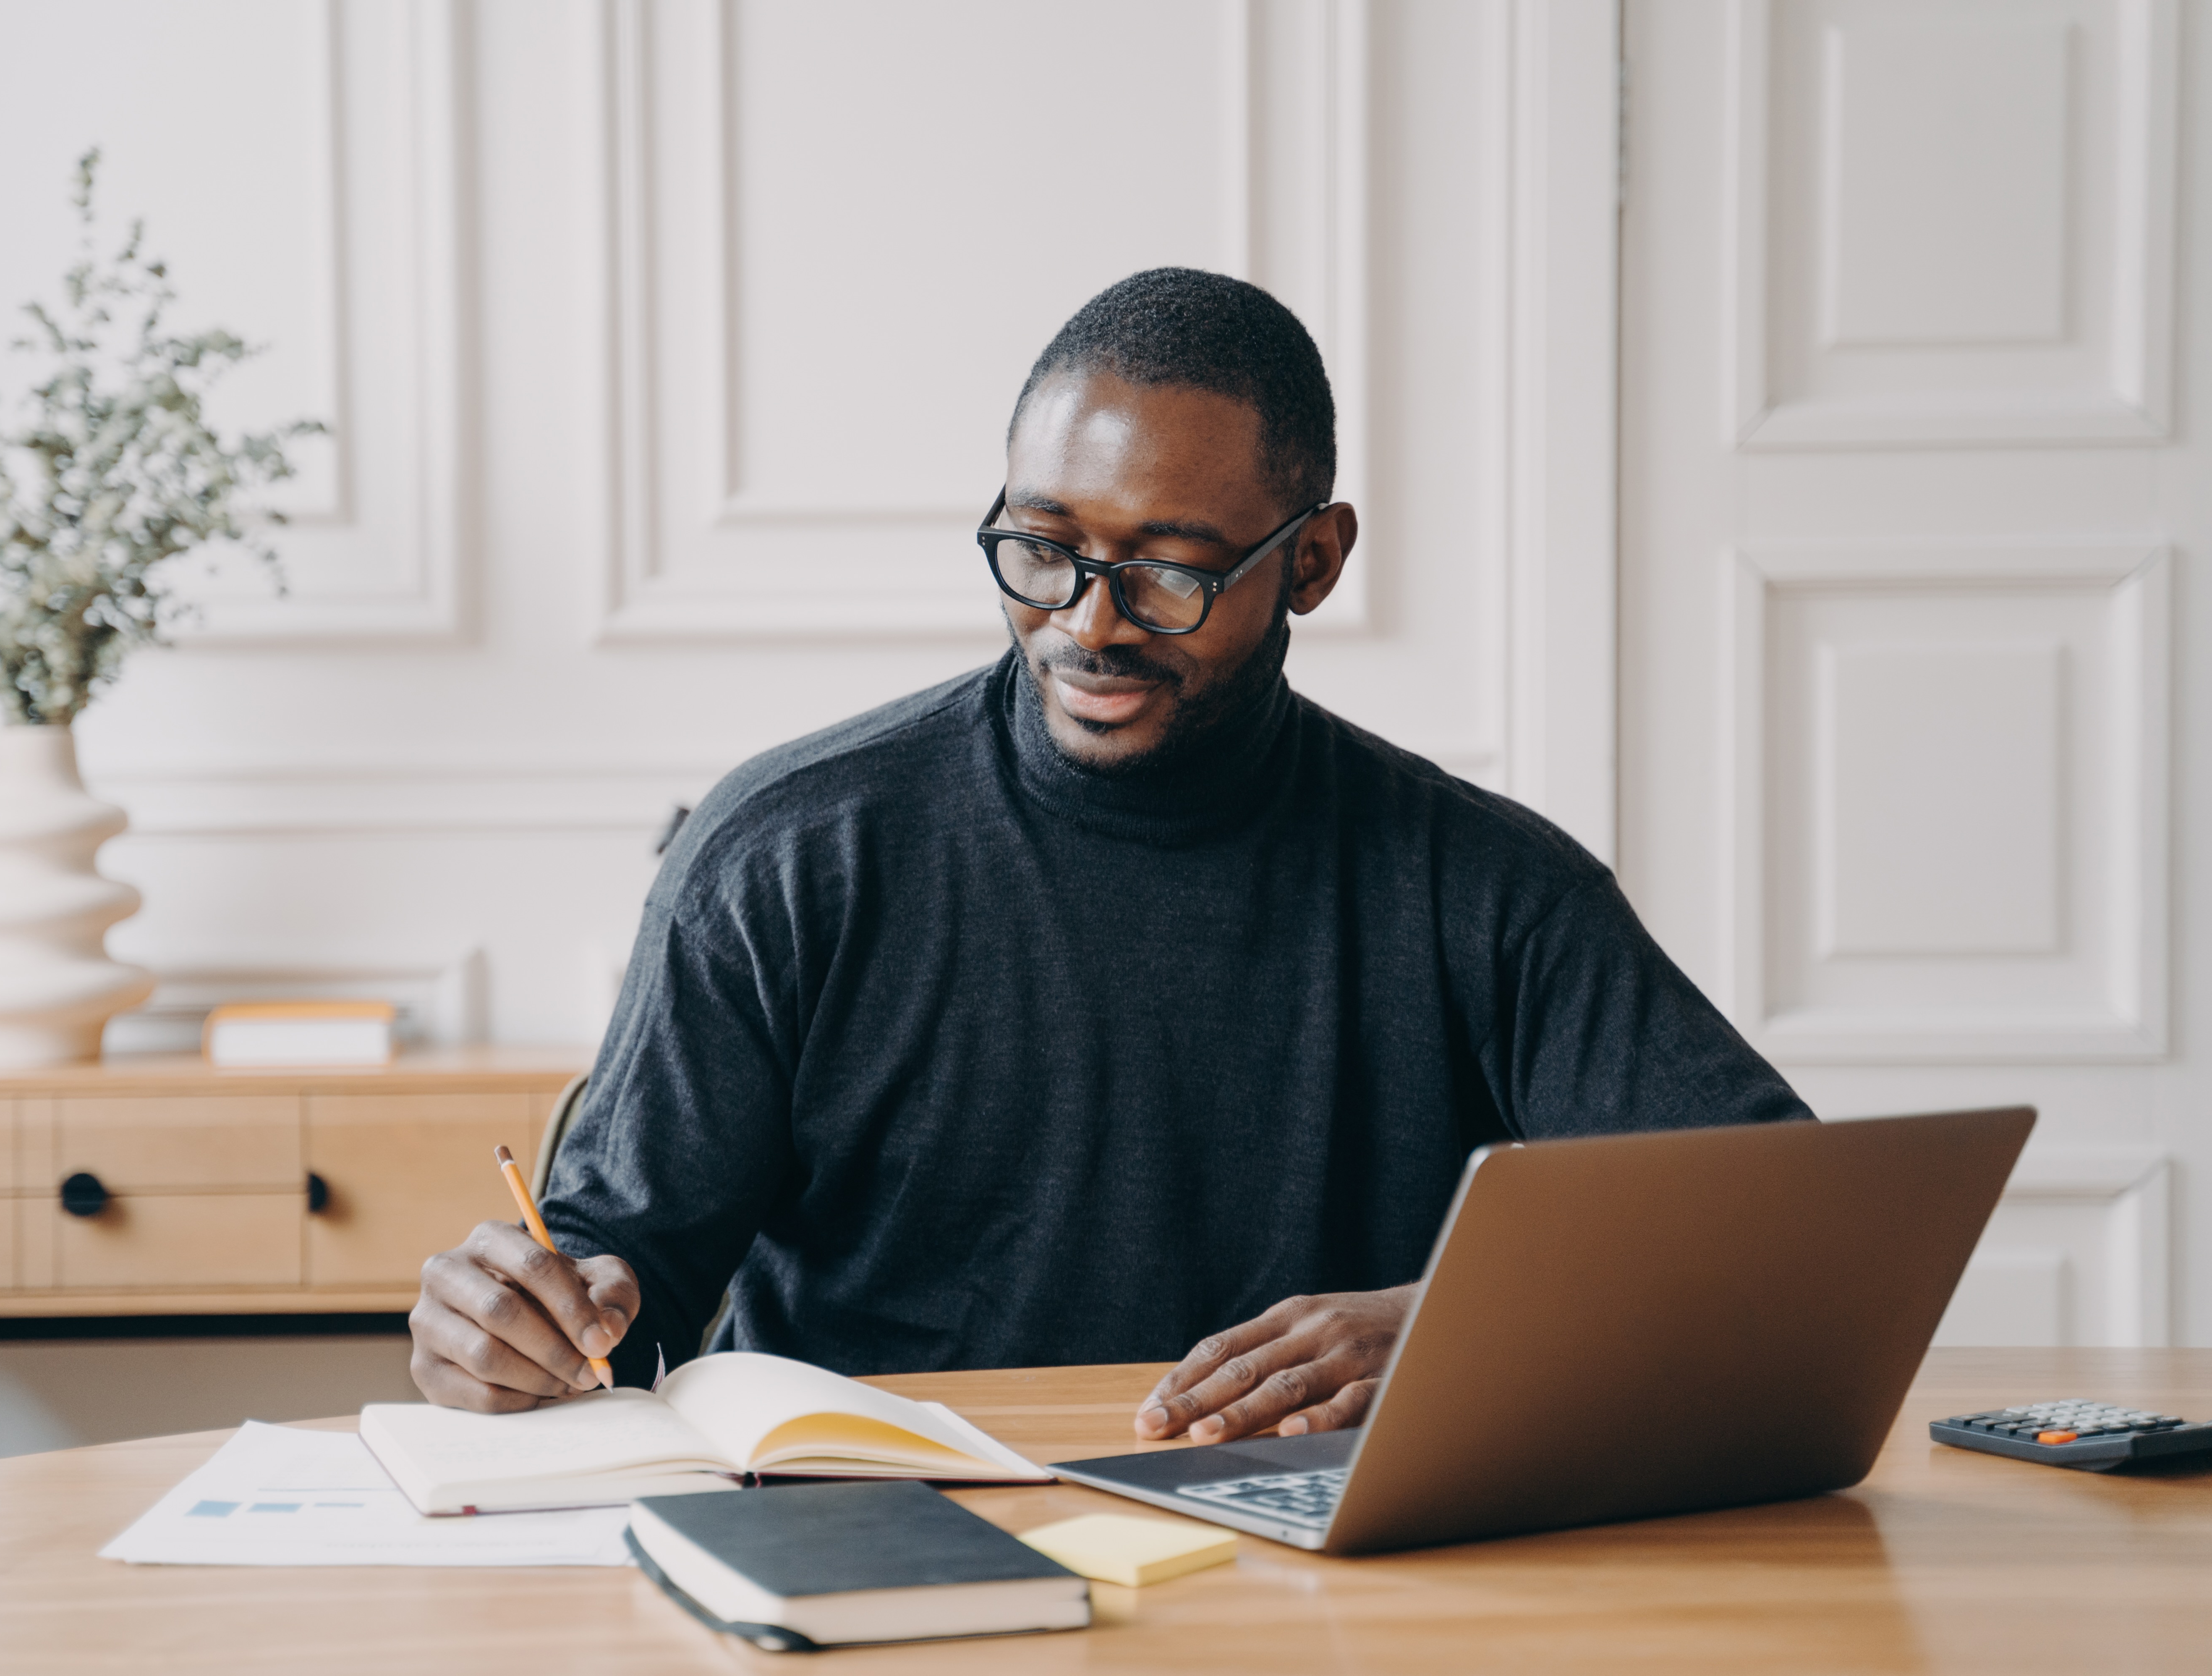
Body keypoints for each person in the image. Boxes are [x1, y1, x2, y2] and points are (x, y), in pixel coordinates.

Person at [409, 269, 1812, 1446]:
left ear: (1312, 563)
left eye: (1169, 571)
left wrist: (1462, 1328)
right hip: (874, 1550)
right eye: (1042, 548)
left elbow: (1784, 1239)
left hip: (1312, 1575)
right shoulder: (784, 853)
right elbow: (620, 1286)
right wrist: (514, 1331)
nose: (1087, 624)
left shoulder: (1487, 890)